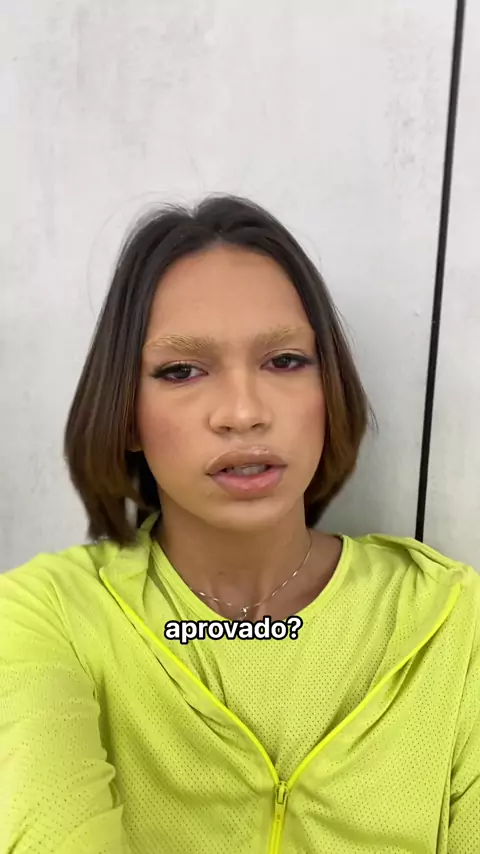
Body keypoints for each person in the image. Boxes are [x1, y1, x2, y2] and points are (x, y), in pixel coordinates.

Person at [0, 195, 478, 854]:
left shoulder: (452, 622)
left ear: (329, 388)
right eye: (181, 371)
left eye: (284, 361)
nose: (244, 412)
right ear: (126, 411)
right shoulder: (44, 615)